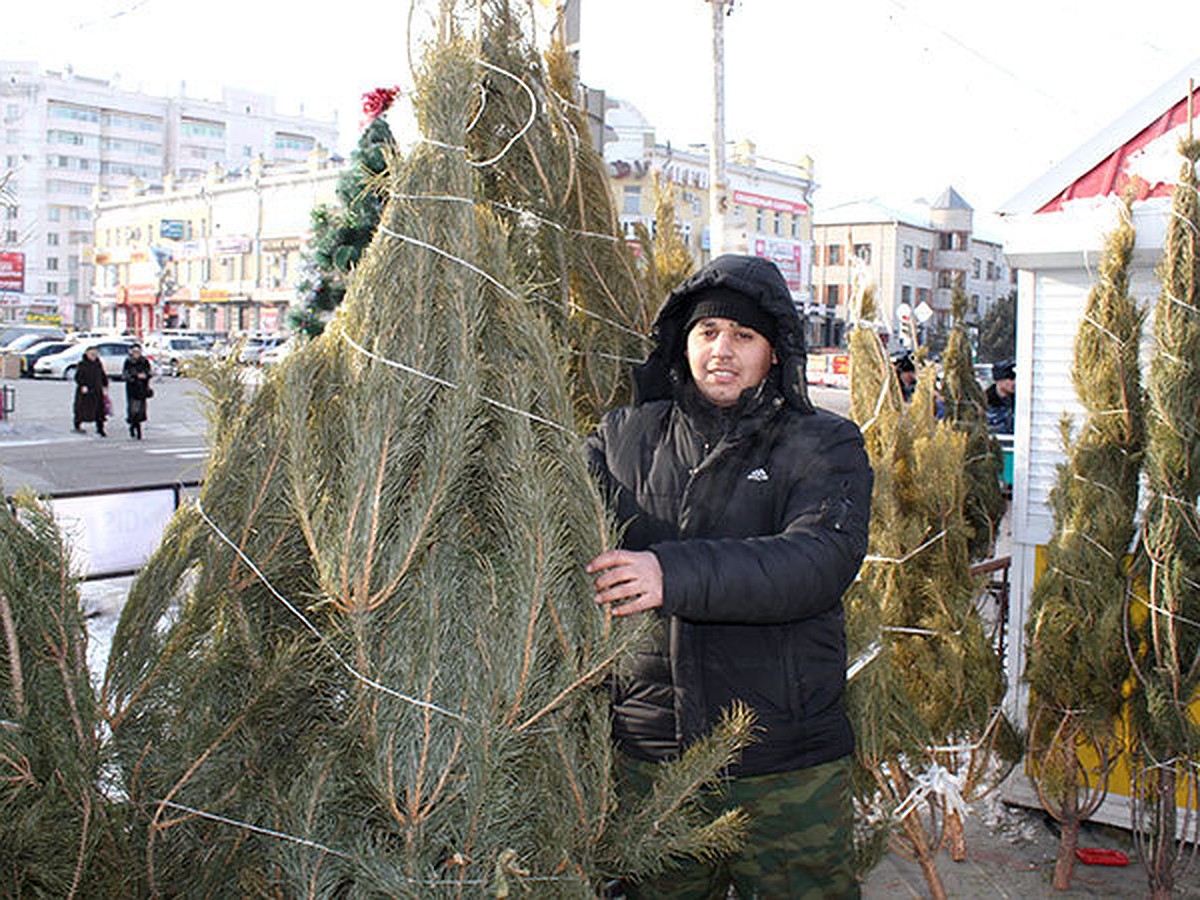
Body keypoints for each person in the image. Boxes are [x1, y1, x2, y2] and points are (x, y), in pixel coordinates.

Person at [585, 254, 872, 898]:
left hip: (784, 762)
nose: (722, 350)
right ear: (680, 343)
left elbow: (817, 563)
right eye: (707, 332)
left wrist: (669, 572)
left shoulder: (823, 444)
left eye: (743, 336)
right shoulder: (621, 439)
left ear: (774, 352)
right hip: (652, 756)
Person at [73, 346, 108, 436]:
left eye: (95, 354)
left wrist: (105, 385)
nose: (94, 356)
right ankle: (77, 425)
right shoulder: (82, 364)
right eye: (92, 354)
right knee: (81, 409)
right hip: (86, 391)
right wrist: (82, 385)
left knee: (99, 411)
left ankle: (100, 429)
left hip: (97, 390)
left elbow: (102, 375)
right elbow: (78, 377)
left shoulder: (98, 364)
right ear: (87, 354)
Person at [122, 343, 153, 439]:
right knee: (133, 410)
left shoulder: (144, 361)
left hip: (142, 388)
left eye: (138, 352)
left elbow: (149, 372)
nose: (136, 354)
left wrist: (146, 375)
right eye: (134, 352)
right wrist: (135, 376)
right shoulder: (128, 362)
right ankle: (133, 427)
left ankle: (137, 429)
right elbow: (125, 374)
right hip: (132, 389)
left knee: (140, 410)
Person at [985, 360, 1016, 434]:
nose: (1014, 382)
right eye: (1010, 378)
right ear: (999, 380)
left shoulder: (1018, 402)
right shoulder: (985, 402)